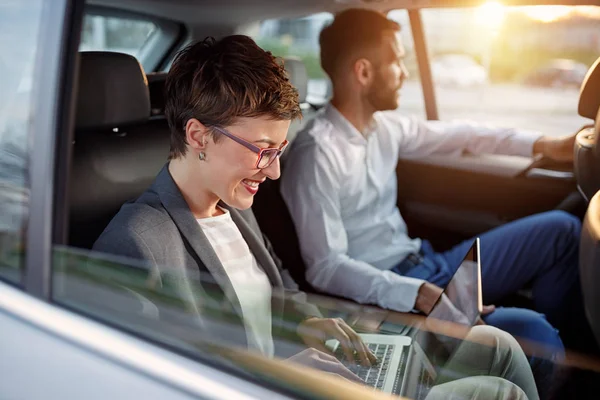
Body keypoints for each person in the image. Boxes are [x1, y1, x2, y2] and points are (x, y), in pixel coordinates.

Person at [93, 35, 538, 399]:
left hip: (310, 371)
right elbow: (148, 381)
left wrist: (307, 320)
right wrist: (277, 374)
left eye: (280, 149)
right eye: (263, 151)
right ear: (199, 135)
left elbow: (281, 287)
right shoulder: (137, 241)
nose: (275, 170)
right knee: (498, 394)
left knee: (497, 344)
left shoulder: (230, 206)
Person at [280, 8, 584, 396]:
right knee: (536, 335)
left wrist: (545, 145)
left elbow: (462, 136)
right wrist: (416, 293)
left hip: (429, 264)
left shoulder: (384, 128)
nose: (405, 73)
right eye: (397, 61)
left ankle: (572, 363)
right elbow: (325, 267)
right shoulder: (316, 153)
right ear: (364, 72)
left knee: (560, 231)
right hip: (390, 295)